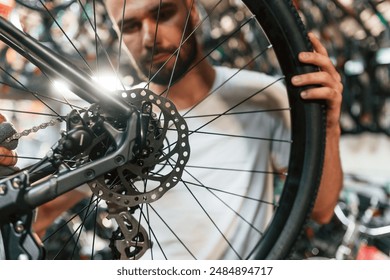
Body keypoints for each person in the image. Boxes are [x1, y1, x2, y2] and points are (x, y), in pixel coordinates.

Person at [30, 0, 342, 259]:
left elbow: (321, 209)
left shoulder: (264, 96)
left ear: (191, 10)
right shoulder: (111, 124)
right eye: (129, 26)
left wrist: (327, 125)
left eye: (163, 14)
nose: (149, 37)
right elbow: (36, 219)